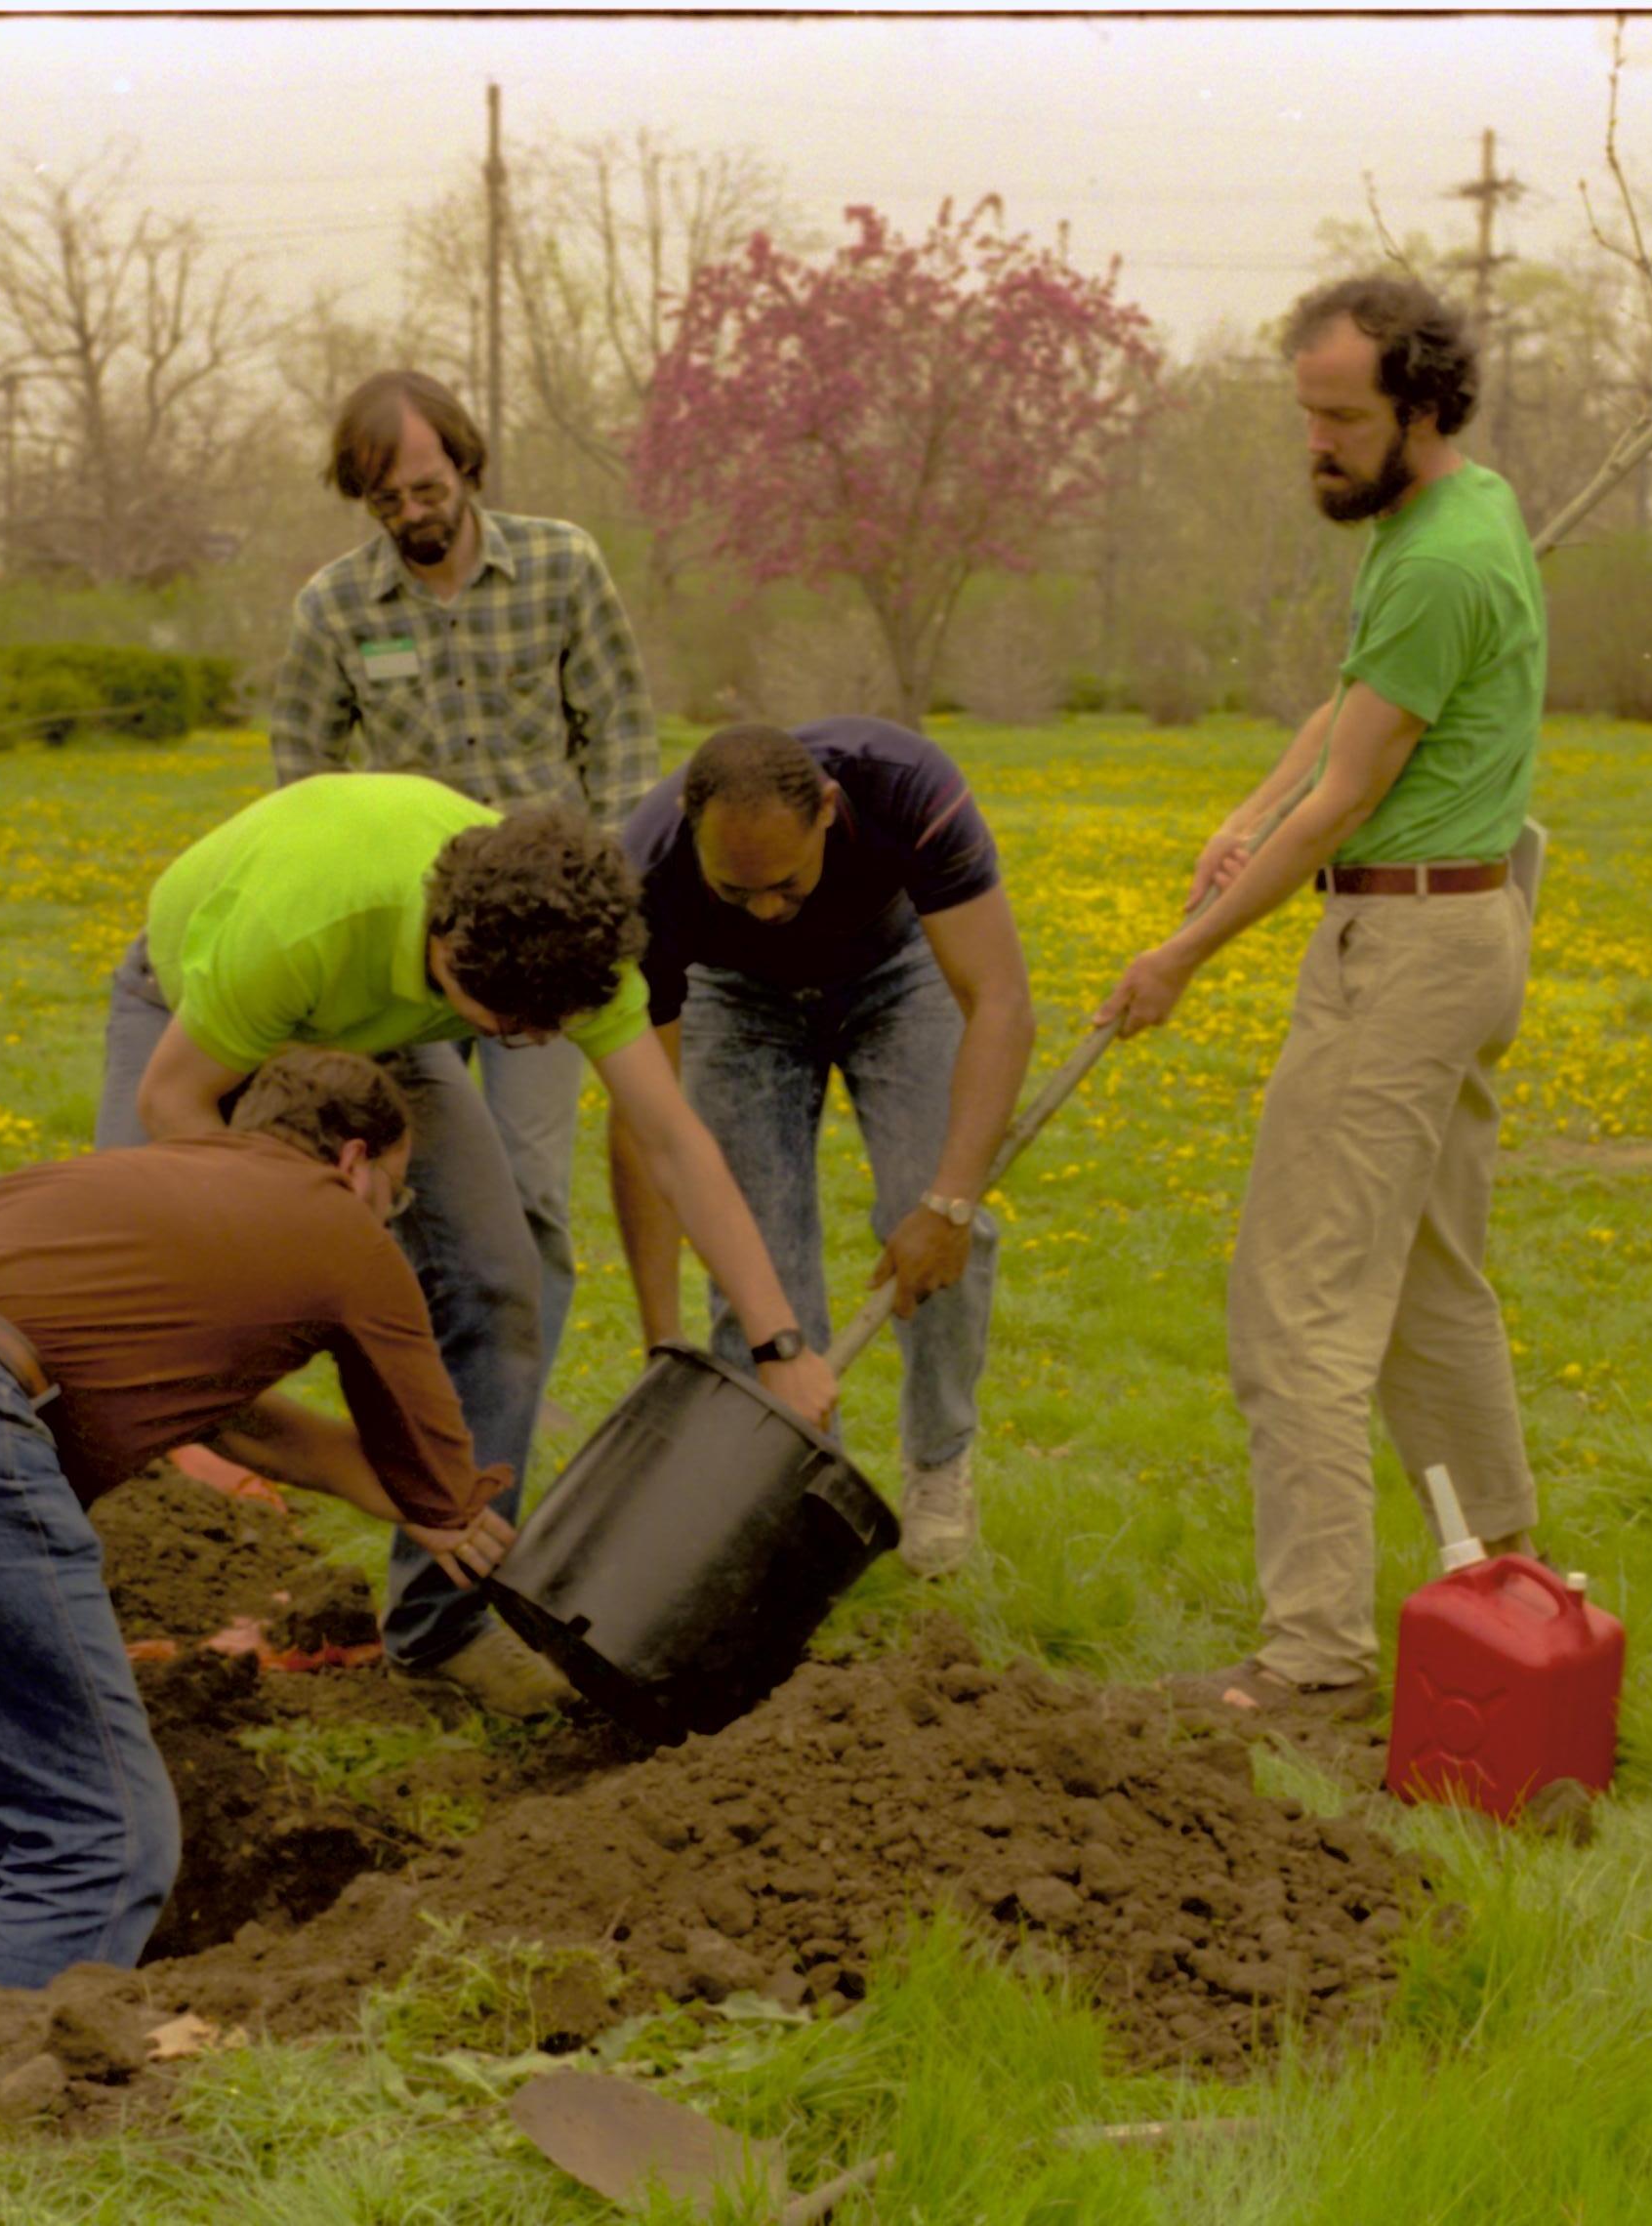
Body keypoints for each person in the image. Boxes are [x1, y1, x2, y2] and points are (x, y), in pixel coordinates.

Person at [94, 772, 840, 1714]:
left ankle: (442, 1629)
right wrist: (312, 1255)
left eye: (545, 1032)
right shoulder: (300, 927)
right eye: (502, 1024)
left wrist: (780, 1345)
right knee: (127, 1325)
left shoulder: (576, 949)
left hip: (388, 1032)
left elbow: (672, 1144)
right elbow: (174, 1103)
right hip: (193, 1019)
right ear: (446, 944)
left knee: (496, 1282)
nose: (523, 1042)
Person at [0, 1050, 517, 1991]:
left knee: (6, 1769)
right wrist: (452, 1511)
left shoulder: (172, 1183)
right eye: (395, 1196)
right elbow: (434, 1459)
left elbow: (249, 1431)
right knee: (107, 1833)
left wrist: (418, 1505)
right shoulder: (338, 1223)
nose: (386, 1219)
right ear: (356, 1161)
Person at [1098, 275, 1543, 1722]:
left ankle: (1310, 1661)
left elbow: (1343, 803)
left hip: (1402, 959)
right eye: (1305, 414)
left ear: (1422, 406)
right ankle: (1513, 1588)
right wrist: (1249, 800)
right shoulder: (1451, 518)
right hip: (1461, 932)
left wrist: (1183, 955)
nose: (1317, 443)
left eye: (1344, 418)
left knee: (1295, 1310)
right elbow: (1349, 718)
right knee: (1425, 1286)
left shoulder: (1440, 561)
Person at [268, 370, 656, 1404]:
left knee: (531, 1193)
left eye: (428, 491)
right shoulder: (336, 607)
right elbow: (301, 769)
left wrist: (607, 894)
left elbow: (618, 731)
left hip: (541, 942)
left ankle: (507, 1408)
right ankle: (424, 1395)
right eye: (387, 502)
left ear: (467, 466)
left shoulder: (563, 567)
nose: (413, 517)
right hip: (411, 950)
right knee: (409, 1192)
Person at [608, 721, 1035, 1579]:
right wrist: (662, 1342)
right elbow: (645, 1127)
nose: (766, 908)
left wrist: (949, 1202)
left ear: (830, 816)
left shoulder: (907, 788)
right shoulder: (646, 873)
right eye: (738, 891)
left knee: (940, 1217)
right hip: (738, 1001)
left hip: (896, 969)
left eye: (787, 884)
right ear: (693, 838)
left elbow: (1000, 1001)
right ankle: (793, 1503)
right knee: (757, 1262)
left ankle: (940, 1461)